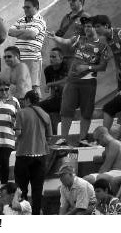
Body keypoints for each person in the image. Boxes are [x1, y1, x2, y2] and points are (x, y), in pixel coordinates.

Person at [49, 16, 110, 146]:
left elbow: (103, 66)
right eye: (85, 26)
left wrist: (87, 67)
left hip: (88, 82)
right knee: (66, 110)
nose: (86, 28)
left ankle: (82, 139)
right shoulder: (79, 39)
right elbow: (66, 42)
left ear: (95, 28)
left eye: (89, 26)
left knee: (86, 112)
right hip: (72, 81)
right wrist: (55, 38)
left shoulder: (102, 45)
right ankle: (63, 138)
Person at [14, 90, 50, 215]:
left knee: (21, 189)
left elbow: (18, 132)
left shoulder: (21, 113)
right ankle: (35, 216)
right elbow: (49, 136)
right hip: (40, 156)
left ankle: (23, 215)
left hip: (24, 155)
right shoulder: (45, 114)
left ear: (28, 100)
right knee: (37, 189)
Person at [8, 0, 47, 95]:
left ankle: (36, 107)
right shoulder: (21, 19)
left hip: (32, 58)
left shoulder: (40, 20)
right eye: (24, 7)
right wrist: (25, 31)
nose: (25, 9)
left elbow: (31, 35)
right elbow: (10, 32)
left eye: (28, 7)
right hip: (19, 58)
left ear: (36, 7)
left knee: (33, 86)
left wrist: (19, 32)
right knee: (19, 84)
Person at [54, 0, 89, 64]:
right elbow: (60, 36)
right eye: (69, 0)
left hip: (76, 60)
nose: (70, 2)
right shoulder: (66, 17)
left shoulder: (85, 17)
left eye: (73, 0)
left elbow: (91, 38)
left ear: (81, 1)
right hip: (62, 59)